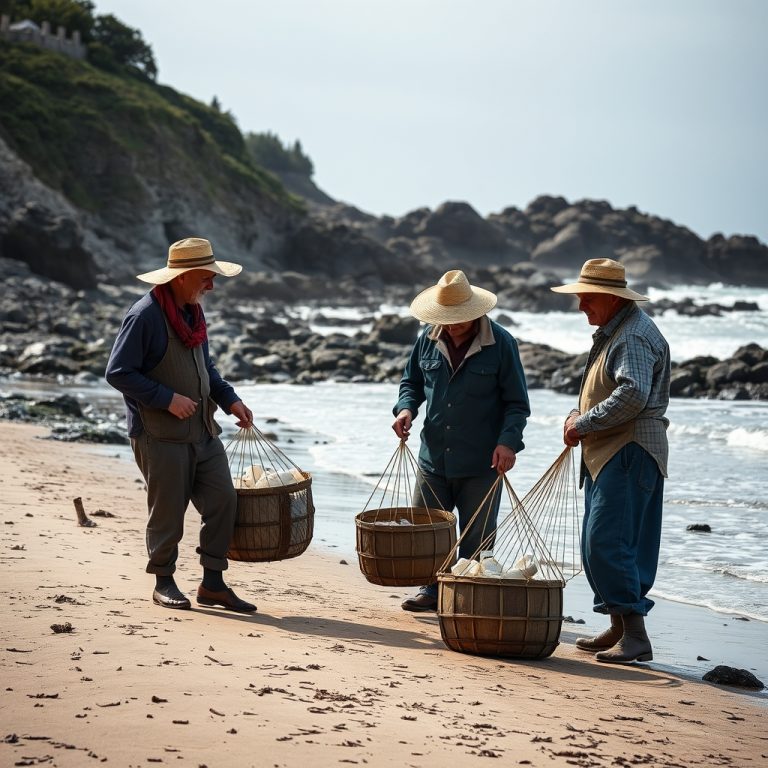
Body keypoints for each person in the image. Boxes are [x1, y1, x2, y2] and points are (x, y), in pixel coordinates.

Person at [106, 237, 257, 613]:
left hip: (203, 431)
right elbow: (118, 372)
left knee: (224, 499)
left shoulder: (193, 314)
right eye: (207, 277)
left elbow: (205, 370)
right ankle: (164, 581)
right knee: (168, 512)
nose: (212, 285)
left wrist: (229, 399)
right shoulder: (144, 316)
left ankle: (213, 583)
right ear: (182, 277)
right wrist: (166, 399)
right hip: (159, 435)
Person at [551, 257, 670, 664]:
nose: (581, 306)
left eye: (586, 298)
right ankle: (620, 626)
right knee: (598, 543)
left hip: (629, 451)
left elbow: (632, 395)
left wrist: (582, 423)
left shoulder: (632, 336)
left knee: (609, 542)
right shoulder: (617, 329)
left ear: (609, 297)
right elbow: (611, 390)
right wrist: (578, 417)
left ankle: (635, 635)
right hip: (612, 451)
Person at [392, 269, 530, 611]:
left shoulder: (502, 344)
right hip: (432, 458)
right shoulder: (427, 338)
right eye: (446, 318)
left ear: (475, 312)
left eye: (459, 319)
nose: (451, 325)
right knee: (429, 532)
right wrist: (406, 410)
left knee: (477, 538)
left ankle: (468, 599)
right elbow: (410, 383)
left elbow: (517, 404)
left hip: (482, 462)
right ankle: (429, 590)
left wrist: (508, 442)